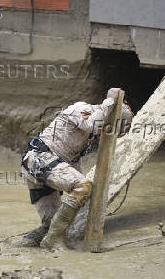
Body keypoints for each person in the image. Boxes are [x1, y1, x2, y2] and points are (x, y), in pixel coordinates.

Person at [17, 88, 133, 250]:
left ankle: (24, 245)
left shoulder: (89, 135)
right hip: (40, 159)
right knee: (83, 187)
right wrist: (110, 100)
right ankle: (53, 240)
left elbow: (72, 161)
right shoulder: (82, 109)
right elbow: (91, 124)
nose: (103, 132)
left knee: (51, 223)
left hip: (39, 165)